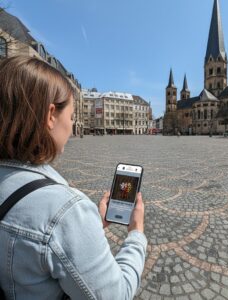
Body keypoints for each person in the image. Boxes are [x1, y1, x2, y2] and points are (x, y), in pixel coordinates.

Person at [0, 56, 147, 300]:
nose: (71, 126)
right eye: (71, 116)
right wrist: (136, 233)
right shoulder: (65, 211)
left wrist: (93, 225)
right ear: (50, 115)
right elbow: (116, 295)